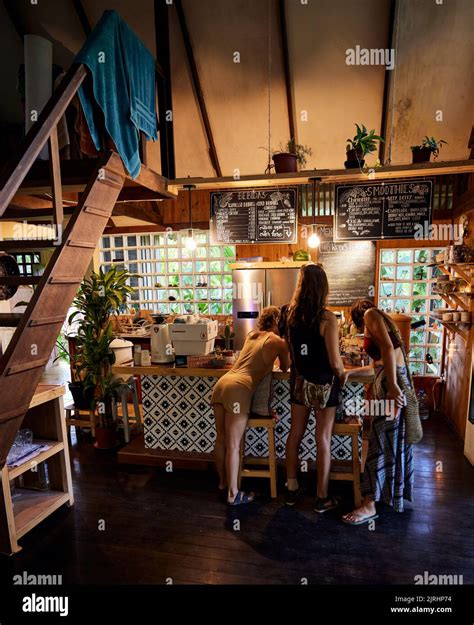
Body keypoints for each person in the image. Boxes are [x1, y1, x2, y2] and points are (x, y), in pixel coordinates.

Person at [280, 263, 346, 512]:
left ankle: (292, 488)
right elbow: (335, 362)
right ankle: (322, 498)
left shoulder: (287, 313)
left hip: (298, 383)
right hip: (324, 386)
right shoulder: (327, 317)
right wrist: (342, 375)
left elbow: (289, 351)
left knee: (294, 435)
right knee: (323, 439)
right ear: (323, 288)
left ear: (300, 285)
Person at [342, 299, 415, 525]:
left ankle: (370, 505)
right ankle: (387, 494)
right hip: (389, 382)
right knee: (387, 441)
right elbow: (379, 363)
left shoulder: (370, 315)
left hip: (390, 387)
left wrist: (392, 387)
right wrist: (350, 374)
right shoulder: (380, 317)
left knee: (379, 443)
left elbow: (387, 350)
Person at [212, 306, 290, 505]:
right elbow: (285, 367)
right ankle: (232, 494)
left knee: (221, 439)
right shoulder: (278, 341)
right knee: (233, 444)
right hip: (239, 390)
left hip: (222, 384)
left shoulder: (251, 335)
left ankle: (223, 484)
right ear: (277, 322)